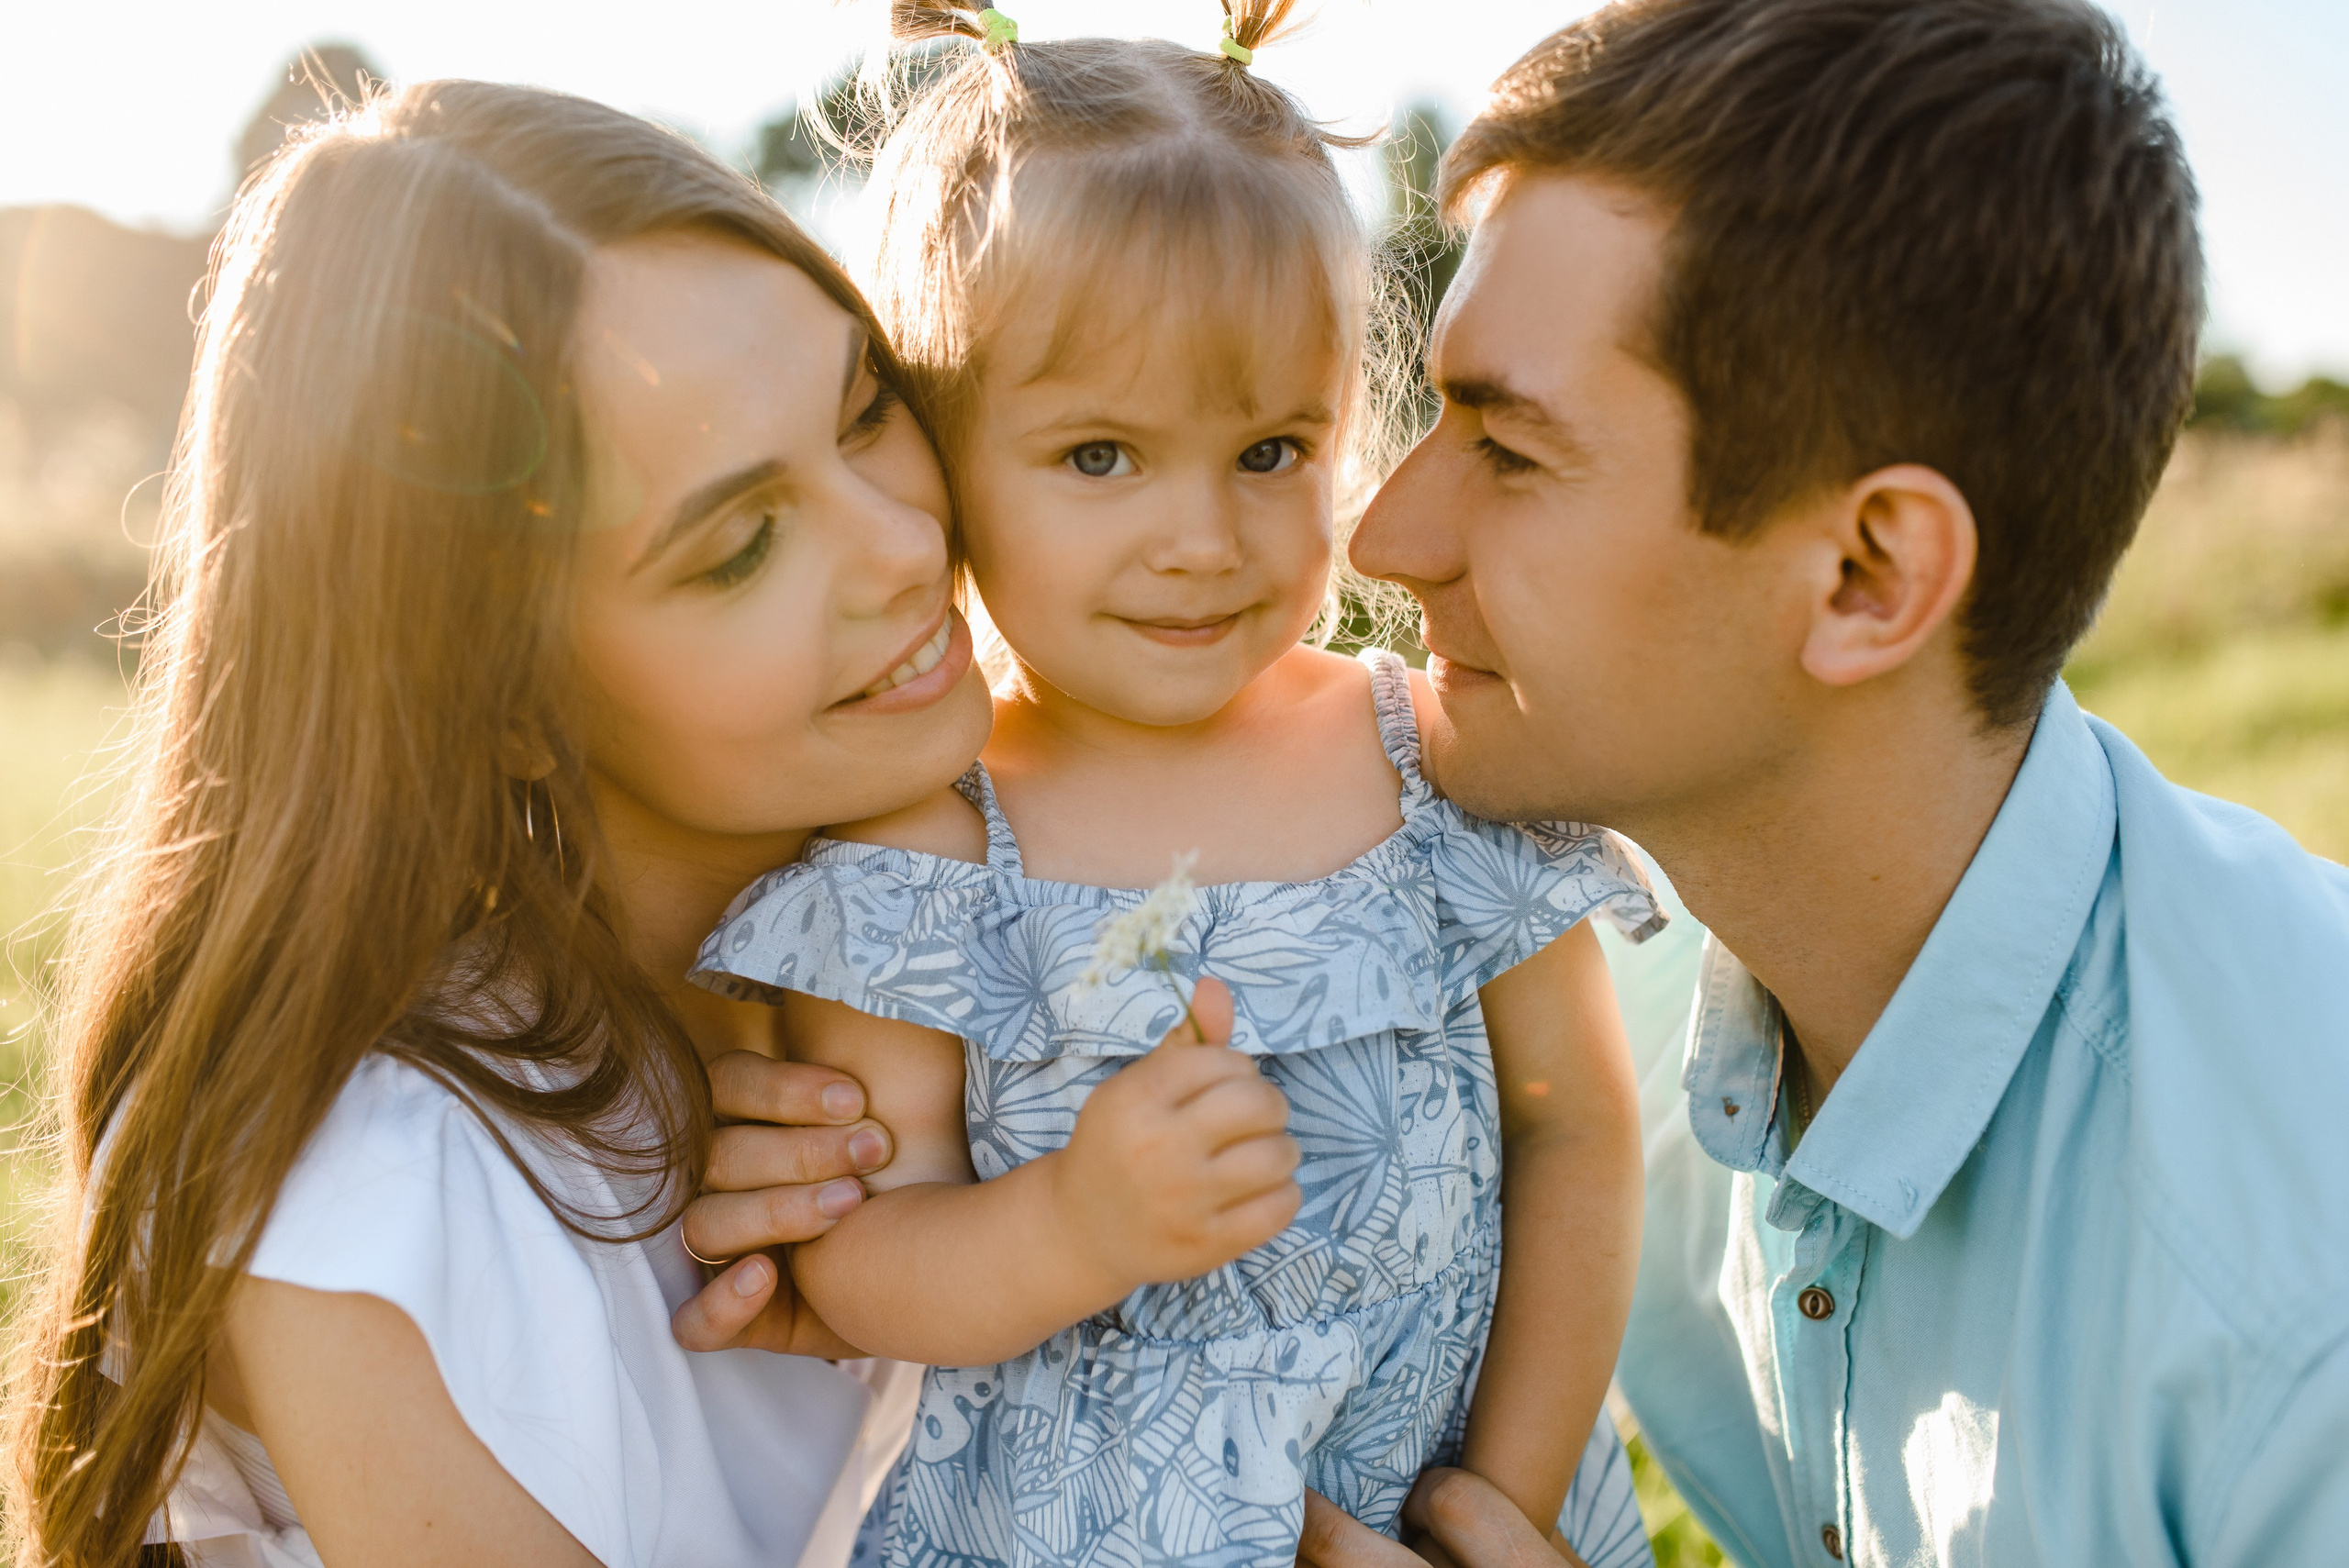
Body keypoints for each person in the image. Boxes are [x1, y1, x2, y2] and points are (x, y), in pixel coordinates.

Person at [3, 79, 1243, 1568]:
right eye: (740, 546)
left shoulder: (1018, 925)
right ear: (502, 690)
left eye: (867, 412)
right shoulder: (371, 1193)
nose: (907, 545)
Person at [1321, 0, 2349, 1564]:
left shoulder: (2294, 1297)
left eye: (1510, 451)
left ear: (1871, 574)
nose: (1383, 539)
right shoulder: (1587, 1022)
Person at [681, 6, 1660, 1568]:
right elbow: (866, 1247)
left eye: (1271, 451)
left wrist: (1501, 1507)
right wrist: (1074, 1224)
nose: (1202, 536)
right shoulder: (932, 839)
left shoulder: (1428, 761)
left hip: (1458, 1499)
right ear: (941, 451)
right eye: (1099, 457)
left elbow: (1579, 1132)